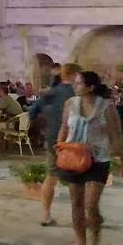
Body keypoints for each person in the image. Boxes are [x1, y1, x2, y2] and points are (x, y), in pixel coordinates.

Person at [56, 71, 123, 245]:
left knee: (91, 205)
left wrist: (120, 158)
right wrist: (59, 146)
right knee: (76, 204)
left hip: (97, 160)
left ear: (91, 87)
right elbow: (64, 127)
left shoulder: (106, 107)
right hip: (72, 158)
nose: (75, 86)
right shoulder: (70, 104)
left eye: (78, 83)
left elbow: (115, 135)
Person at [34, 63, 79, 226]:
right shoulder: (75, 93)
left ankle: (45, 214)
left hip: (53, 138)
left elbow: (33, 111)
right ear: (74, 75)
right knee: (77, 179)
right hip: (73, 141)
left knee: (51, 175)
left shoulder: (50, 93)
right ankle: (80, 216)